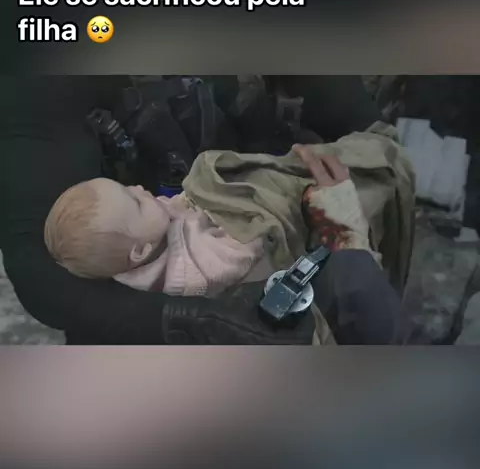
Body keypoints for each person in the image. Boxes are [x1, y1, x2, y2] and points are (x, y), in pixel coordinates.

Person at [0, 75, 413, 344]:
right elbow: (42, 271)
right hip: (164, 316)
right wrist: (199, 320)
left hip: (272, 199)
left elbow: (347, 112)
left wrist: (370, 144)